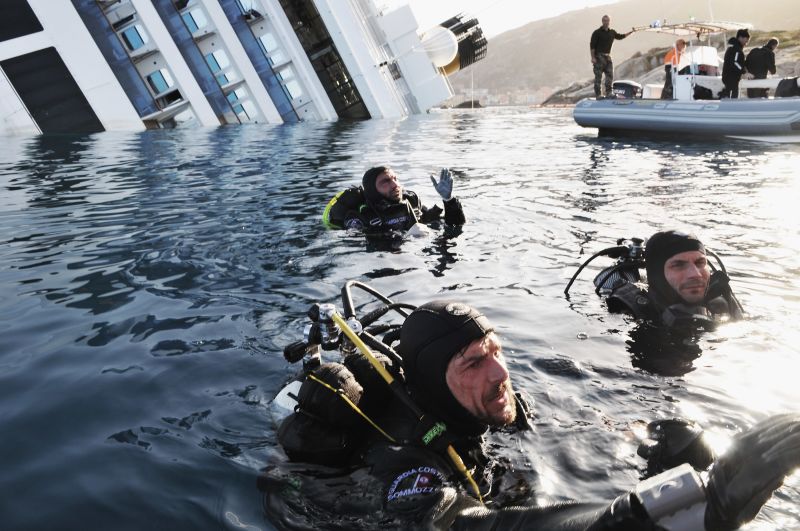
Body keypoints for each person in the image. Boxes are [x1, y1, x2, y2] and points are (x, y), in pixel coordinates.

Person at [263, 300, 800, 530]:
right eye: (473, 363)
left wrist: (651, 441)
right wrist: (646, 513)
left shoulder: (495, 407)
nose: (499, 374)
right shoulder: (406, 463)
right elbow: (466, 529)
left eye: (496, 351)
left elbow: (572, 432)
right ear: (432, 381)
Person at [604, 231, 743, 328]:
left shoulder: (721, 302)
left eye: (700, 263)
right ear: (657, 275)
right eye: (678, 265)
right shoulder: (628, 315)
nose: (696, 274)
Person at [322, 165, 465, 235]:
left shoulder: (411, 200)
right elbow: (358, 249)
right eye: (386, 182)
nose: (395, 185)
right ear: (372, 189)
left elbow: (454, 226)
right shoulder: (360, 216)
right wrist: (403, 237)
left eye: (395, 179)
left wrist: (449, 200)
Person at [589, 15, 633, 99]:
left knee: (610, 75)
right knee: (598, 77)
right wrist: (593, 57)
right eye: (605, 21)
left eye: (607, 21)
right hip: (599, 57)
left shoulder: (612, 32)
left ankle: (609, 93)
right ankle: (598, 95)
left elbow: (620, 36)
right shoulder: (597, 32)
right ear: (602, 21)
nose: (606, 22)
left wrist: (631, 32)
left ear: (609, 21)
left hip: (608, 57)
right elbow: (592, 46)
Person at [721, 28, 750, 98]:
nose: (746, 43)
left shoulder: (733, 47)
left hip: (729, 77)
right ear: (740, 38)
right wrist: (744, 71)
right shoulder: (736, 49)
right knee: (733, 97)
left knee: (729, 96)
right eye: (746, 41)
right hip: (731, 78)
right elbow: (735, 62)